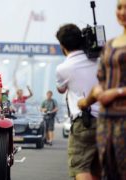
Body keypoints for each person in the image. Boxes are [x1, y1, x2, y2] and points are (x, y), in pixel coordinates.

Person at [78, 1, 126, 178]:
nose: (122, 12)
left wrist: (117, 92)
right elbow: (102, 82)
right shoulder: (109, 45)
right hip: (106, 120)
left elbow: (111, 89)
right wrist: (87, 100)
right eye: (119, 7)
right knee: (108, 170)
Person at [55, 24, 100, 179]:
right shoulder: (100, 61)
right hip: (106, 121)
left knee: (80, 167)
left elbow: (60, 89)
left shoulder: (63, 68)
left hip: (84, 121)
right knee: (97, 168)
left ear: (62, 46)